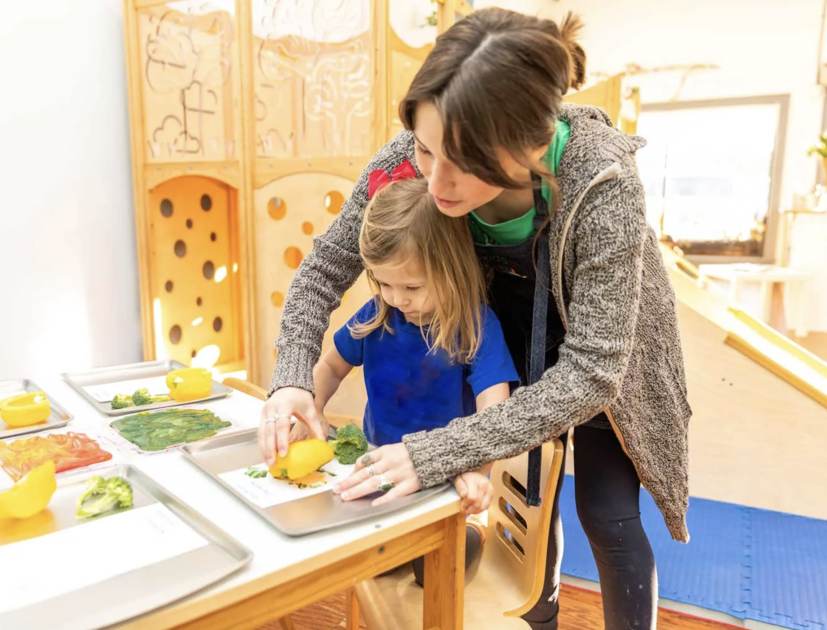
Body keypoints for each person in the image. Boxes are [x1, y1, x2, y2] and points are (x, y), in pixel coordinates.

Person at [259, 9, 691, 630]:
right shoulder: (410, 162)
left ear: (531, 145)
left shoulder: (602, 181)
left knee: (609, 512)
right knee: (529, 499)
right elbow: (323, 266)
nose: (434, 180)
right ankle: (536, 616)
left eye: (460, 162)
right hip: (505, 332)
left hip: (606, 353)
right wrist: (293, 378)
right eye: (426, 148)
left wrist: (442, 451)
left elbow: (594, 370)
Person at [288, 175, 518, 584]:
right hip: (381, 475)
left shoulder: (478, 328)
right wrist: (313, 408)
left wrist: (474, 467)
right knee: (363, 564)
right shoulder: (378, 314)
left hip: (449, 483)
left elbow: (494, 414)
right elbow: (329, 368)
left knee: (434, 571)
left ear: (453, 269)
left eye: (412, 286)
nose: (397, 298)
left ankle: (468, 537)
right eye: (384, 283)